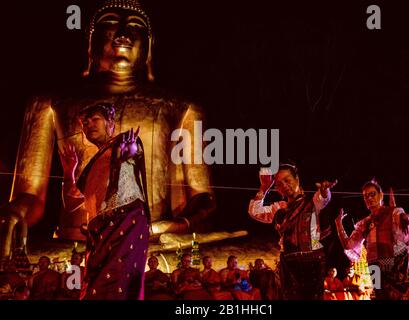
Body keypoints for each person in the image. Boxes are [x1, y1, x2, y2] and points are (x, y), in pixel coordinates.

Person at [0, 0, 215, 261]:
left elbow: (202, 198)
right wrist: (15, 213)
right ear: (90, 43)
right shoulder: (51, 103)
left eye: (135, 26)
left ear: (149, 49)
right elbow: (29, 195)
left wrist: (170, 226)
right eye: (110, 23)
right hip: (77, 242)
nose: (123, 34)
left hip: (153, 242)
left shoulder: (181, 108)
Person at [59, 102, 150, 300]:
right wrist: (69, 173)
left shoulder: (121, 142)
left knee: (117, 286)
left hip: (125, 222)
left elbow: (132, 151)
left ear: (111, 123)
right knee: (93, 288)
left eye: (95, 120)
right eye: (84, 123)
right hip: (97, 232)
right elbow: (71, 202)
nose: (88, 125)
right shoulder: (91, 166)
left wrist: (130, 150)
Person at [248, 163, 337, 299]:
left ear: (297, 179)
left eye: (287, 180)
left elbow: (323, 199)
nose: (284, 185)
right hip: (288, 264)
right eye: (279, 184)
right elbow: (254, 211)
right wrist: (264, 188)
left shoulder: (312, 202)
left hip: (311, 263)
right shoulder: (279, 208)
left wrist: (325, 191)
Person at [335, 179, 409, 300]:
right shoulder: (364, 223)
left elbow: (403, 235)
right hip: (374, 267)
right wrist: (338, 224)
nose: (369, 198)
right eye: (366, 196)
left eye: (372, 194)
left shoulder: (393, 213)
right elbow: (349, 245)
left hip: (392, 267)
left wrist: (404, 217)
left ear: (381, 195)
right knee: (380, 297)